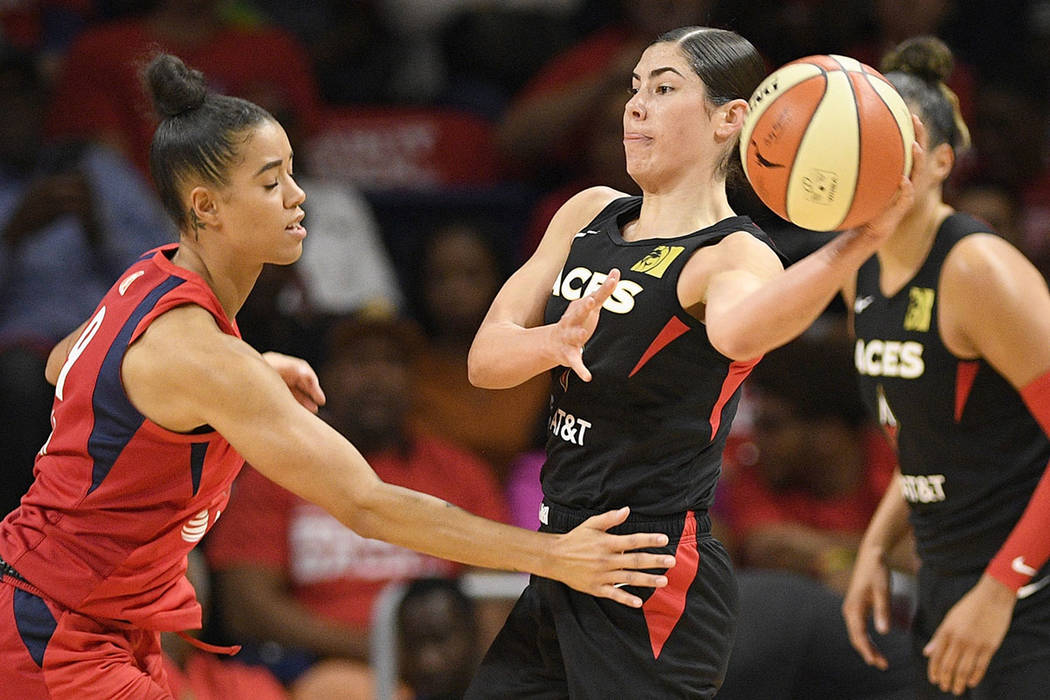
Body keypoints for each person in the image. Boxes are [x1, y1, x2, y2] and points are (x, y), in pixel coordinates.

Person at [0, 53, 677, 699]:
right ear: (206, 207)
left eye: (293, 172)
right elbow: (367, 505)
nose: (298, 197)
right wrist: (553, 556)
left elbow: (69, 361)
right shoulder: (206, 359)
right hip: (56, 631)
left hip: (82, 618)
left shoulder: (149, 279)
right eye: (271, 183)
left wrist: (232, 377)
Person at [465, 25, 920, 698]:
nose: (636, 106)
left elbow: (743, 330)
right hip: (562, 557)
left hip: (649, 573)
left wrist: (856, 244)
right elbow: (485, 359)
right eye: (634, 88)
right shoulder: (587, 212)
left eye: (665, 88)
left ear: (730, 119)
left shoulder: (735, 255)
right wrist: (550, 342)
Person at [841, 36, 1050, 698]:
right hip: (947, 574)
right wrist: (874, 547)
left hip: (1026, 582)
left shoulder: (977, 268)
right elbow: (927, 441)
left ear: (939, 162)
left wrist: (1001, 589)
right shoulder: (860, 272)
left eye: (902, 139)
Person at [206, 313, 509, 694]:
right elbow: (247, 606)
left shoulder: (461, 473)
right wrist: (380, 650)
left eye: (392, 362)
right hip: (320, 669)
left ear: (415, 381)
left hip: (448, 672)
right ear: (324, 376)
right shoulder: (275, 467)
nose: (377, 376)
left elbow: (496, 594)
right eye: (360, 361)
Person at [718, 332, 906, 594]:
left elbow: (923, 553)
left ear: (827, 435)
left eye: (771, 427)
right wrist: (842, 559)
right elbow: (771, 547)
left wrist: (824, 552)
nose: (755, 441)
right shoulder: (755, 476)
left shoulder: (894, 461)